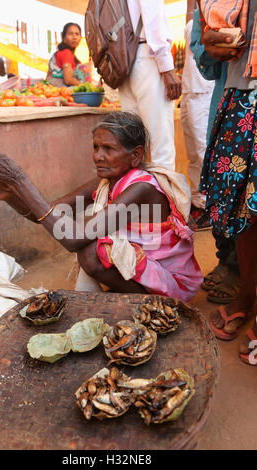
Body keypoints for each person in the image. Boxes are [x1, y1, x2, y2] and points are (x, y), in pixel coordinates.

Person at [0, 112, 202, 301]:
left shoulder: (141, 188)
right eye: (96, 147)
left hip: (173, 281)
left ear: (135, 155)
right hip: (149, 269)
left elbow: (72, 238)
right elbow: (52, 214)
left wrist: (19, 179)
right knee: (92, 247)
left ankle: (154, 302)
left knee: (91, 252)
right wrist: (12, 194)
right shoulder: (106, 182)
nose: (98, 156)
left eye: (108, 149)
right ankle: (134, 295)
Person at [199, 0, 257, 365]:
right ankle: (248, 294)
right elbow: (208, 42)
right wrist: (210, 38)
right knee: (242, 207)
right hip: (242, 90)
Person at [190, 6, 240, 305]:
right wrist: (211, 47)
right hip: (229, 100)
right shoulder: (207, 5)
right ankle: (227, 262)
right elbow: (206, 64)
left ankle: (238, 269)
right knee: (223, 185)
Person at [118, 0, 182, 170]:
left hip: (123, 59)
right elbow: (153, 19)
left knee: (134, 145)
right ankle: (163, 196)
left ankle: (136, 194)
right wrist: (167, 67)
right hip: (146, 56)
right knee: (161, 145)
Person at [181, 0, 215, 229]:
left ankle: (210, 207)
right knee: (193, 151)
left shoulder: (216, 9)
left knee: (204, 149)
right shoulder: (194, 8)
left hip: (203, 88)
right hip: (189, 89)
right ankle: (197, 201)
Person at [47, 23, 91, 87]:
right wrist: (87, 87)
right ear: (63, 37)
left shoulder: (66, 53)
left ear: (80, 38)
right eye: (70, 34)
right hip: (61, 93)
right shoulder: (66, 53)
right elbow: (68, 80)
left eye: (77, 34)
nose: (74, 37)